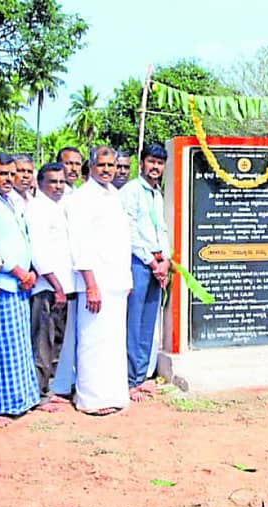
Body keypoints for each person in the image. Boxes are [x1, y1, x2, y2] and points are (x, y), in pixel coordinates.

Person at [65, 146, 132, 415]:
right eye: (102, 165)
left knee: (113, 342)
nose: (107, 170)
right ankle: (91, 399)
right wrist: (91, 284)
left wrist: (126, 280)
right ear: (91, 167)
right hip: (96, 282)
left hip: (116, 281)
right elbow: (80, 244)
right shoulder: (82, 197)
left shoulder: (114, 195)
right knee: (93, 340)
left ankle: (114, 394)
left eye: (111, 165)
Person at [0, 153, 39, 417]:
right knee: (3, 348)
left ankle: (22, 399)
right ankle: (4, 404)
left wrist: (30, 272)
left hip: (22, 283)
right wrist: (18, 272)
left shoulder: (14, 201)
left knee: (19, 346)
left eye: (11, 174)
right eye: (2, 173)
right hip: (5, 283)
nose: (7, 178)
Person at [120, 144, 170, 402]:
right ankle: (129, 380)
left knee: (149, 322)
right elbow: (130, 232)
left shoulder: (157, 194)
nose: (155, 167)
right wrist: (151, 261)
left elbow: (161, 229)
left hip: (157, 265)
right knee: (134, 322)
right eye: (151, 162)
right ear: (142, 163)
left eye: (160, 163)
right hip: (138, 264)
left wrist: (166, 261)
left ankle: (141, 377)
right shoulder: (130, 192)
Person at [26, 163, 75, 409]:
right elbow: (39, 253)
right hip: (48, 287)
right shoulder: (37, 209)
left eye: (61, 182)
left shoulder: (59, 207)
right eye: (52, 182)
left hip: (63, 286)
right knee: (43, 342)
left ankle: (51, 388)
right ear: (40, 183)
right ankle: (39, 393)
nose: (58, 186)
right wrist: (56, 287)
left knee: (57, 341)